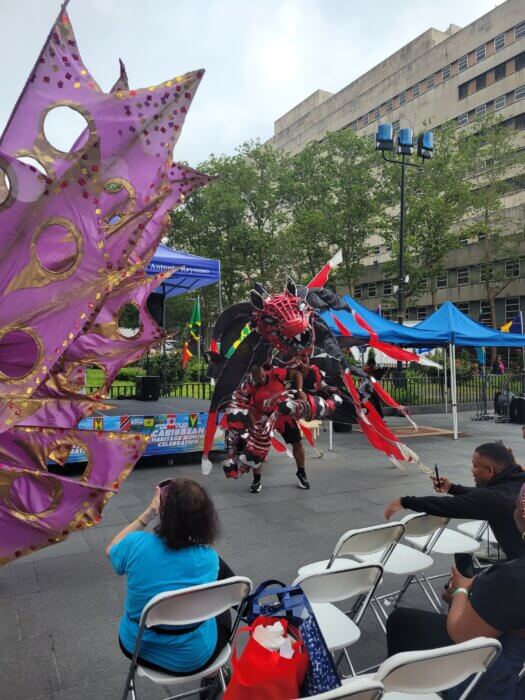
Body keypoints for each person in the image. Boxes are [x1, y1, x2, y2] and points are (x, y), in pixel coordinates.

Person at [386, 484, 525, 699]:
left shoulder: (514, 576)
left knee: (401, 622)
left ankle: (411, 688)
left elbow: (462, 633)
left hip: (502, 679)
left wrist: (461, 590)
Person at [106, 478, 234, 675]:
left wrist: (148, 513)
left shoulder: (135, 545)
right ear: (206, 518)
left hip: (135, 647)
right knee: (220, 604)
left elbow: (111, 550)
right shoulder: (210, 560)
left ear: (164, 513)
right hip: (193, 658)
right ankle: (215, 674)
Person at [384, 442, 525, 560]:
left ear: (490, 471)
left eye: (475, 465)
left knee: (457, 583)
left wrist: (405, 501)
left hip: (519, 568)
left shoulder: (494, 498)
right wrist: (452, 488)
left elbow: (446, 506)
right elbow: (485, 497)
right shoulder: (516, 483)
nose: (472, 470)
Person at [248, 365, 309, 493]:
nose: (261, 380)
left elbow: (297, 373)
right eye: (257, 378)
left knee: (297, 443)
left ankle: (301, 473)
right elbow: (249, 408)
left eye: (262, 376)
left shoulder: (276, 373)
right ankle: (256, 480)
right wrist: (253, 423)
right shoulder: (250, 386)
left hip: (283, 415)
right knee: (257, 450)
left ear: (264, 373)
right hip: (263, 418)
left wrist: (299, 390)